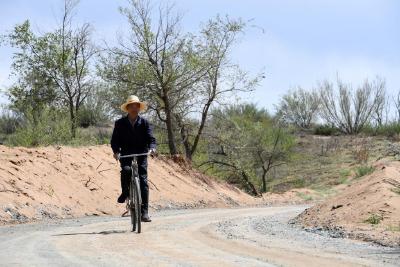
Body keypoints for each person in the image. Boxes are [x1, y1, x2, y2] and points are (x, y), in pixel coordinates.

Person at [110, 95, 156, 222]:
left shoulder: (145, 123)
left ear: (139, 108)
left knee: (143, 181)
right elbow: (114, 140)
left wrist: (152, 148)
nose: (134, 108)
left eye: (137, 106)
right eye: (132, 106)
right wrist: (116, 152)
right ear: (128, 108)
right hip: (126, 154)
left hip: (141, 154)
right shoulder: (119, 123)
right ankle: (125, 192)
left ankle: (145, 212)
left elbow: (151, 139)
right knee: (126, 170)